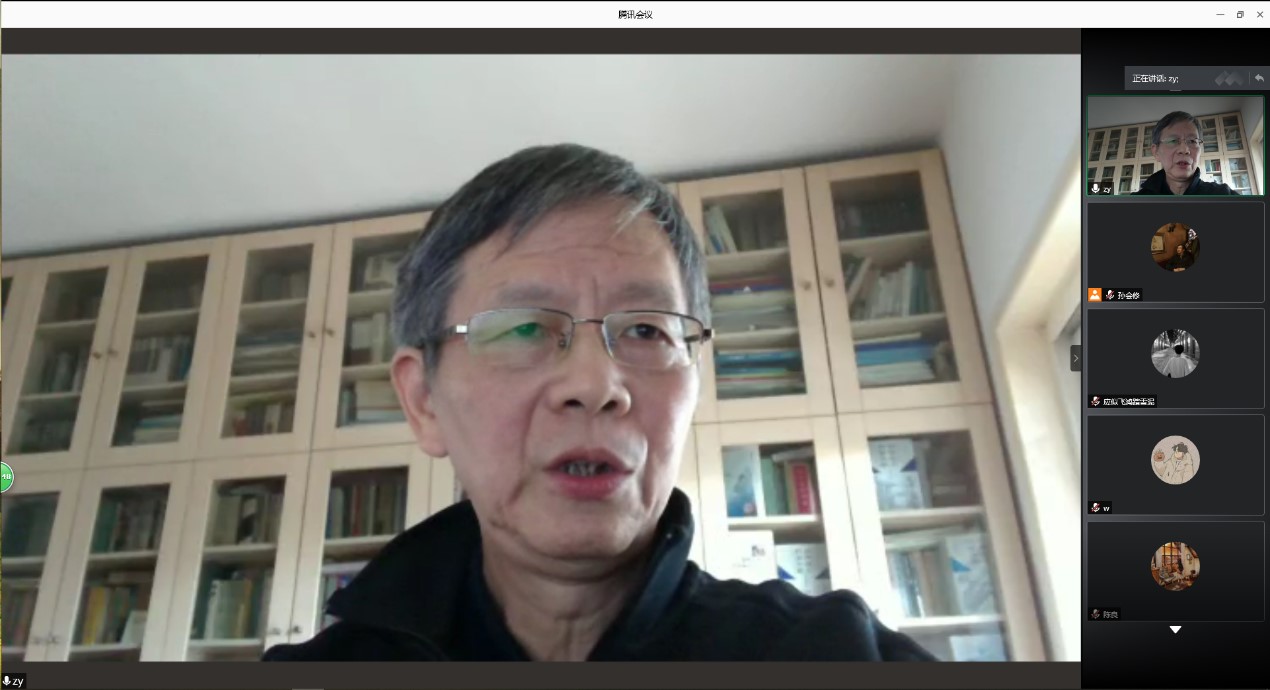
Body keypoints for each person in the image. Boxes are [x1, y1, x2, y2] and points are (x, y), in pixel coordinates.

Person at [261, 144, 936, 662]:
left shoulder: (830, 652)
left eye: (645, 330)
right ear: (423, 400)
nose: (595, 384)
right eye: (522, 329)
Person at [1132, 111, 1239, 195]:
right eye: (1173, 141)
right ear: (1156, 152)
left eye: (1192, 141)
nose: (1184, 150)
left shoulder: (1223, 195)